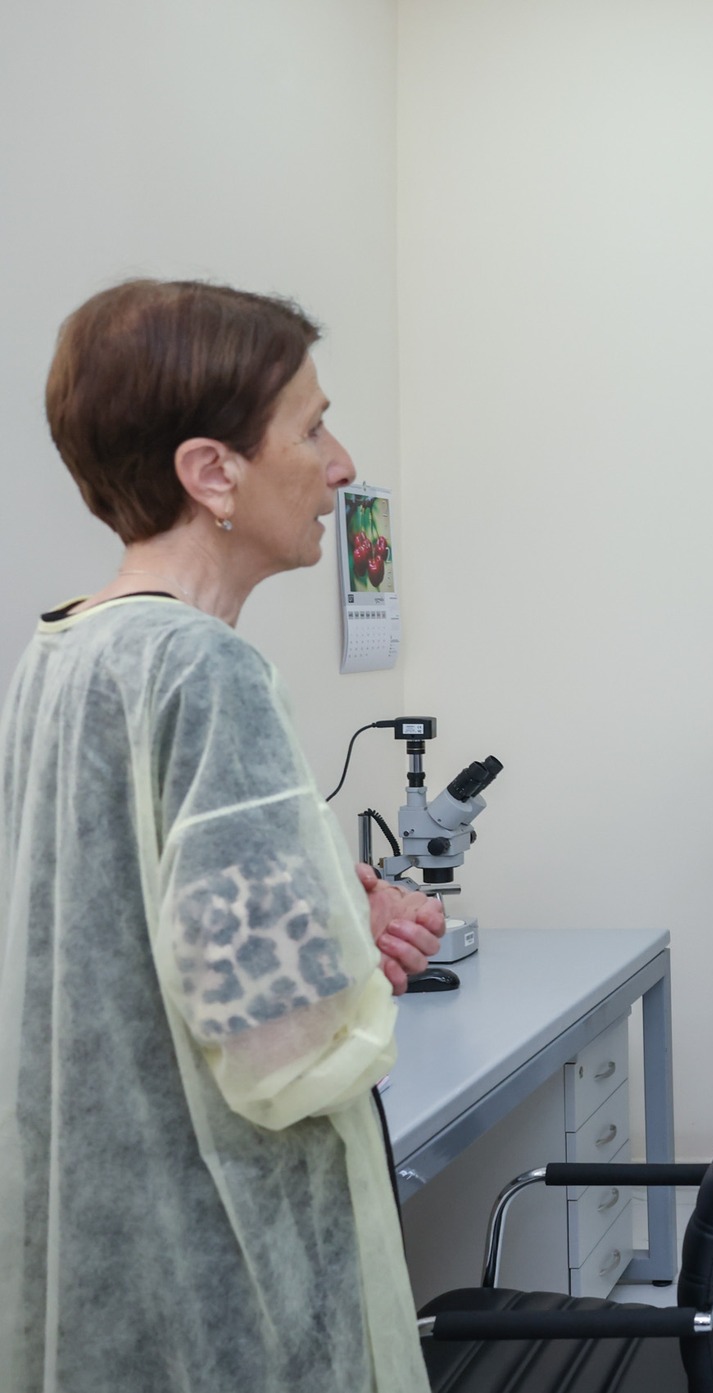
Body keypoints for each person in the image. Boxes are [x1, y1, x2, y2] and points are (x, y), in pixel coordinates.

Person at [0, 280, 446, 1391]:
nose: (342, 466)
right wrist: (351, 953)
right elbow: (286, 1046)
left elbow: (129, 924)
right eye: (313, 428)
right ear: (212, 472)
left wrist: (328, 898)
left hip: (114, 1238)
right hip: (231, 1265)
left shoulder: (62, 653)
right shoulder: (207, 669)